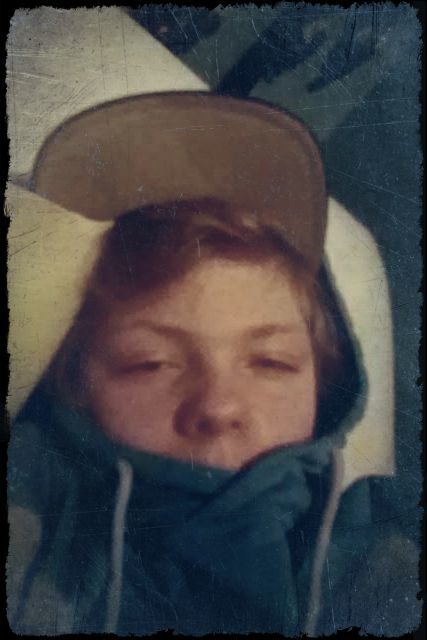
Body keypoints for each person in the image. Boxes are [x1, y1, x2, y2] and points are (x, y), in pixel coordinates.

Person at [7, 93, 419, 635]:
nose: (219, 406)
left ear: (326, 384)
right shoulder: (31, 533)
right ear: (72, 383)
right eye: (150, 363)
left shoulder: (385, 567)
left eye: (271, 362)